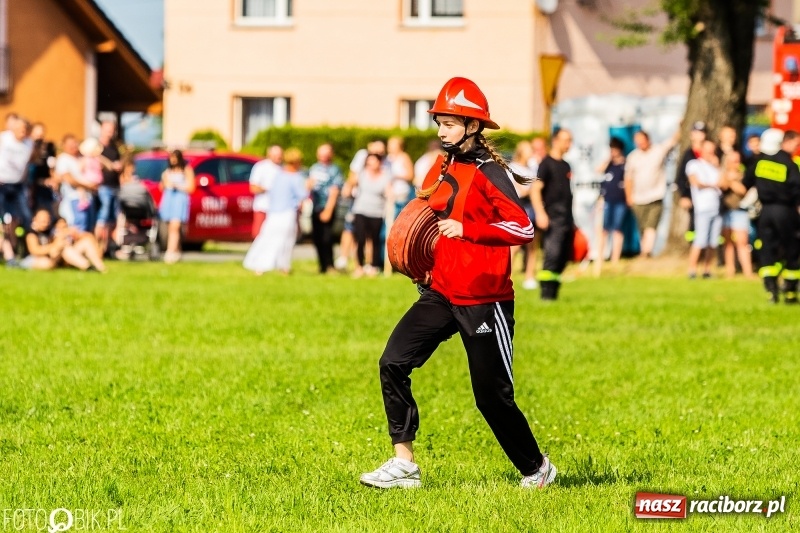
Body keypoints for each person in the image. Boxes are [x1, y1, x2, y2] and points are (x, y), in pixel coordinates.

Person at [360, 77, 554, 490]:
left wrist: (469, 228)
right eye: (439, 122)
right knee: (393, 362)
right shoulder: (444, 163)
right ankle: (404, 465)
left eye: (449, 123)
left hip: (486, 300)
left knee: (491, 399)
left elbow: (523, 229)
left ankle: (538, 470)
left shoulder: (490, 172)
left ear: (472, 125)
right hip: (442, 290)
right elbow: (430, 209)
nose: (440, 131)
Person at [743, 128, 800, 303]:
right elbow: (797, 189)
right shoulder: (789, 164)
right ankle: (790, 292)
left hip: (765, 213)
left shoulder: (760, 162)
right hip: (786, 212)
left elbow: (746, 183)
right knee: (792, 249)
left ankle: (771, 291)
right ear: (784, 142)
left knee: (767, 250)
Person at [243, 147, 307, 275]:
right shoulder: (293, 176)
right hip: (282, 212)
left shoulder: (280, 173)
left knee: (268, 237)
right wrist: (308, 186)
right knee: (283, 240)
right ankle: (276, 266)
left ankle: (267, 266)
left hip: (273, 211)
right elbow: (302, 194)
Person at [531, 129, 574, 300]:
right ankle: (546, 295)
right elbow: (535, 190)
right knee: (552, 254)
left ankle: (555, 294)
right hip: (552, 217)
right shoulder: (546, 164)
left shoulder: (566, 165)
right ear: (555, 141)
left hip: (566, 218)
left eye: (570, 140)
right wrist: (540, 214)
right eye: (566, 140)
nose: (569, 144)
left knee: (563, 257)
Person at [624, 129, 680, 257]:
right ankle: (645, 251)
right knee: (643, 228)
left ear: (648, 139)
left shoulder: (658, 150)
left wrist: (679, 126)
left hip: (655, 196)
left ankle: (646, 252)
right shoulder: (633, 157)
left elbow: (672, 141)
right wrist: (629, 196)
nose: (640, 144)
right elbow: (628, 178)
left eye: (642, 141)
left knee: (651, 226)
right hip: (638, 198)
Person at [344, 152, 391, 278]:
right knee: (360, 239)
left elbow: (389, 192)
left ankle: (373, 266)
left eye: (373, 161)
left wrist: (390, 196)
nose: (370, 164)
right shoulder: (362, 174)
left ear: (379, 162)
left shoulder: (385, 176)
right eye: (368, 162)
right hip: (360, 210)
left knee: (375, 240)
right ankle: (359, 266)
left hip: (377, 212)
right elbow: (349, 186)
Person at [23, 208, 106, 272]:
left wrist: (70, 233)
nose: (46, 222)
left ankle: (100, 267)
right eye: (43, 220)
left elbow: (81, 236)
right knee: (47, 263)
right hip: (36, 258)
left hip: (55, 256)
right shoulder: (31, 233)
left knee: (85, 242)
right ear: (35, 220)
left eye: (47, 219)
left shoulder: (51, 230)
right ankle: (87, 267)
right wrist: (54, 246)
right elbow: (35, 251)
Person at [685, 140, 722, 279]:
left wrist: (717, 166)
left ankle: (707, 269)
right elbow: (696, 182)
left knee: (713, 241)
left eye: (712, 150)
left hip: (716, 207)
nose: (710, 153)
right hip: (703, 208)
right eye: (708, 150)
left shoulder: (714, 168)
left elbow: (722, 183)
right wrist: (712, 186)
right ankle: (692, 269)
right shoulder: (694, 164)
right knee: (700, 240)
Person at [0, 116, 34, 267]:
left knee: (24, 218)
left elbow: (25, 166)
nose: (22, 132)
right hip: (2, 184)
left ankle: (21, 251)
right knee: (1, 221)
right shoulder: (4, 138)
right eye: (20, 129)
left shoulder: (29, 144)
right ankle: (9, 256)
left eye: (25, 129)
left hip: (18, 186)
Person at [308, 143, 343, 273]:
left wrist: (328, 210)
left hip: (327, 206)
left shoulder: (335, 170)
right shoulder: (314, 168)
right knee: (317, 238)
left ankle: (329, 265)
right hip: (315, 207)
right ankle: (322, 266)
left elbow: (334, 191)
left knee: (327, 238)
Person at [508, 140, 538, 289]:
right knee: (516, 245)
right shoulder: (512, 168)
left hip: (530, 207)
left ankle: (530, 276)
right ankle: (508, 277)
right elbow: (520, 190)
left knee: (533, 245)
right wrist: (531, 188)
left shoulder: (532, 167)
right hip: (519, 207)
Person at [720, 150, 754, 279]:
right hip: (726, 211)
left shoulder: (743, 174)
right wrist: (729, 179)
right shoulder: (723, 174)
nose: (736, 163)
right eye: (733, 161)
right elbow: (721, 185)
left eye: (737, 160)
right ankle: (730, 270)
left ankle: (748, 271)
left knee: (742, 242)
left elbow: (743, 190)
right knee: (728, 243)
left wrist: (732, 182)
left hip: (740, 211)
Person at [159, 150, 195, 264]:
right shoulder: (168, 171)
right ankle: (177, 251)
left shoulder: (186, 170)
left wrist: (178, 185)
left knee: (176, 226)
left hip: (180, 199)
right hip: (169, 199)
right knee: (171, 227)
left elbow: (191, 187)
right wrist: (165, 181)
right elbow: (161, 186)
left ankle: (170, 252)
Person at [596, 137, 629, 267]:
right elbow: (598, 170)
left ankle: (615, 258)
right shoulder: (608, 164)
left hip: (620, 201)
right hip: (607, 200)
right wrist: (608, 160)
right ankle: (600, 257)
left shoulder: (625, 164)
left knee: (617, 229)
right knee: (604, 230)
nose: (613, 152)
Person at [675, 122, 707, 244]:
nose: (700, 136)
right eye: (696, 132)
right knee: (694, 225)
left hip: (709, 197)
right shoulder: (688, 154)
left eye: (702, 132)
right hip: (694, 197)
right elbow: (680, 178)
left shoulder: (710, 152)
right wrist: (685, 195)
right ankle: (695, 250)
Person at [95, 120, 123, 255]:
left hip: (115, 186)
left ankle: (106, 249)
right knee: (102, 218)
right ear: (101, 129)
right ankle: (96, 248)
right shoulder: (97, 147)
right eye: (108, 130)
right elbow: (95, 160)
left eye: (112, 130)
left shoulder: (114, 147)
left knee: (111, 220)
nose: (110, 133)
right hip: (103, 187)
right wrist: (110, 164)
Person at [249, 145, 283, 239]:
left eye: (280, 155)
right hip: (263, 207)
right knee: (259, 236)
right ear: (269, 155)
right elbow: (253, 187)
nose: (278, 157)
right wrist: (269, 189)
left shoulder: (283, 169)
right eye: (276, 155)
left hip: (278, 210)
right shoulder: (261, 167)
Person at [28, 122, 57, 216]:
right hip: (30, 185)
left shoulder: (48, 148)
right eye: (37, 135)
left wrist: (53, 179)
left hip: (44, 186)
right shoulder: (27, 147)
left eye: (41, 135)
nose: (39, 138)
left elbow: (51, 166)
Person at [387, 136, 414, 216]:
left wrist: (396, 176)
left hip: (402, 192)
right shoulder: (389, 157)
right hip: (391, 193)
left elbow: (411, 175)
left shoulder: (404, 157)